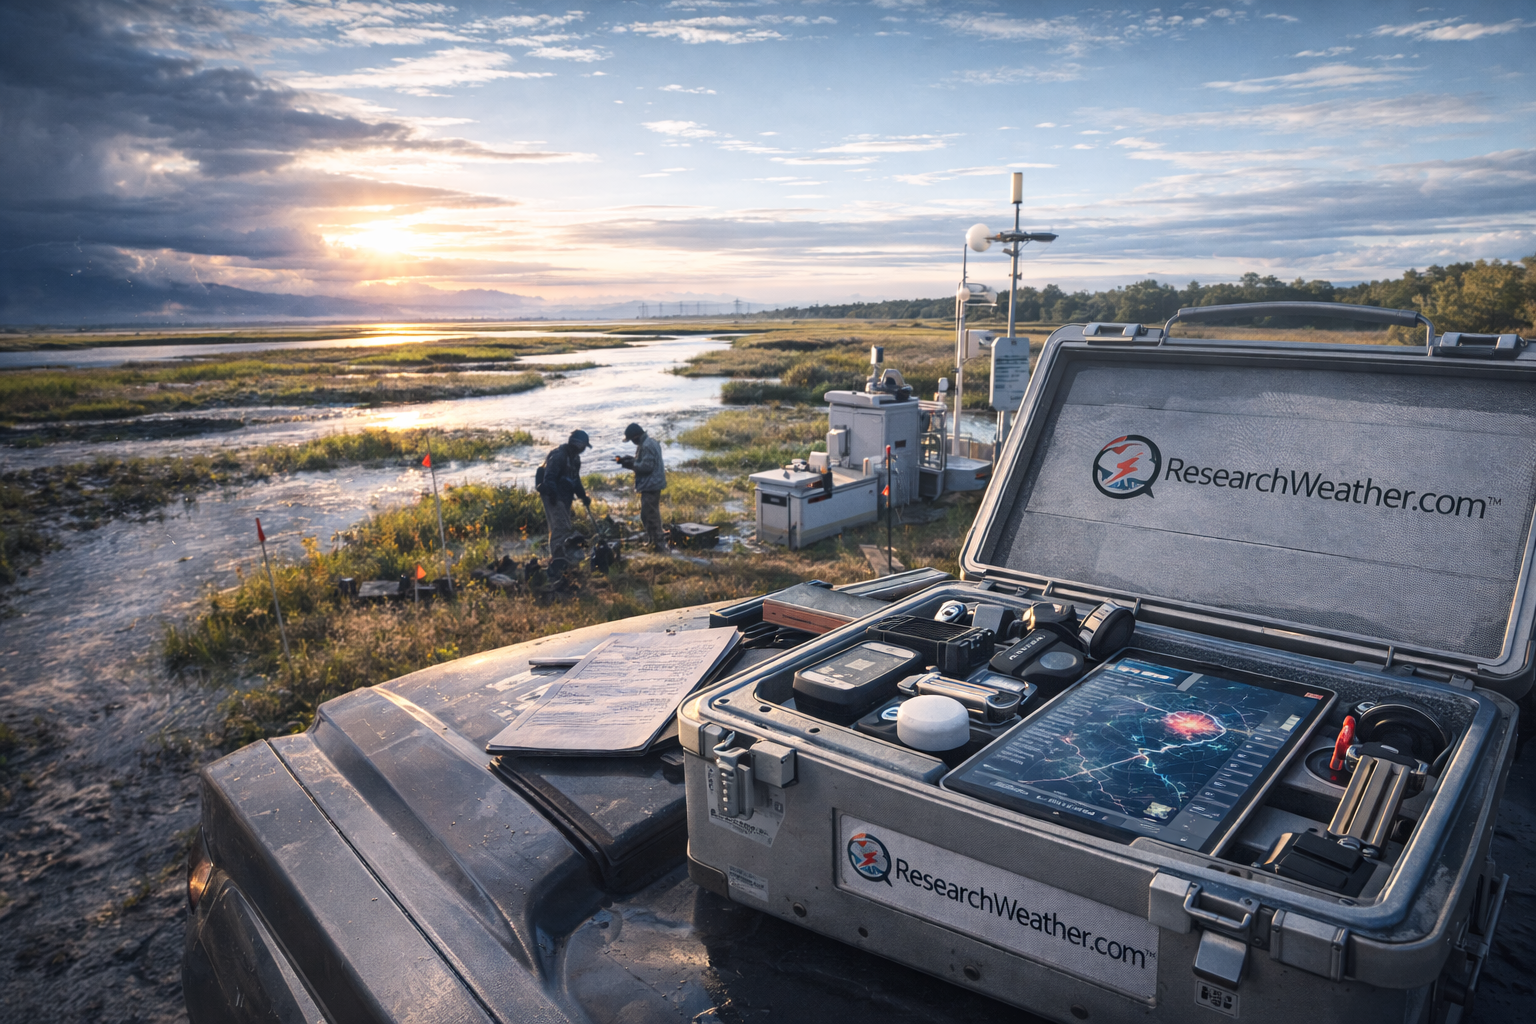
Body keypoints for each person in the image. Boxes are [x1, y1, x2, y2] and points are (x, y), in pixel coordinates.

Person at [536, 429, 591, 565]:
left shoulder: (575, 458)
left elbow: (575, 480)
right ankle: (558, 560)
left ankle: (560, 556)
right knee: (560, 527)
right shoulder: (559, 455)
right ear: (578, 444)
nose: (584, 449)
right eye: (584, 446)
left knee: (562, 526)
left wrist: (583, 496)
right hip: (553, 495)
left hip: (565, 497)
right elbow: (549, 477)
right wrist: (554, 497)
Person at [619, 422, 668, 551]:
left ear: (636, 436)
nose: (632, 442)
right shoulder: (649, 443)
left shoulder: (646, 445)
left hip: (651, 485)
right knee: (646, 515)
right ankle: (653, 541)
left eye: (631, 440)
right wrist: (632, 460)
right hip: (652, 484)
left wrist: (631, 465)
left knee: (651, 516)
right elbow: (644, 462)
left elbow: (647, 467)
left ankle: (659, 545)